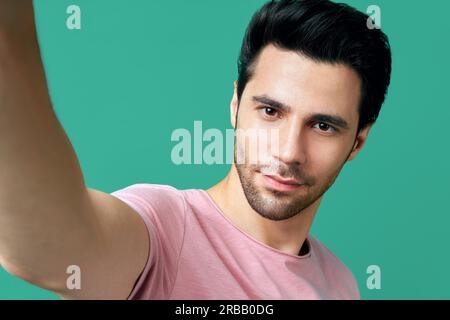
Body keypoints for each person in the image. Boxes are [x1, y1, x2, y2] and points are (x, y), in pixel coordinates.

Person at [0, 0, 391, 299]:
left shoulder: (340, 283)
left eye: (323, 126)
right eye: (270, 111)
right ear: (236, 105)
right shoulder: (166, 229)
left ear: (357, 140)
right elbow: (43, 249)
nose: (289, 151)